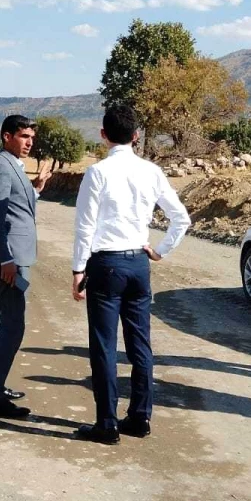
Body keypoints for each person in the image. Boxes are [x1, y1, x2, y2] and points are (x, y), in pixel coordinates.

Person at [70, 104, 191, 444]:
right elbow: (181, 218)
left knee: (105, 346)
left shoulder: (97, 173)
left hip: (106, 264)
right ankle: (139, 416)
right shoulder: (151, 171)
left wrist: (78, 269)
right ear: (136, 136)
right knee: (140, 345)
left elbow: (85, 228)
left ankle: (106, 424)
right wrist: (161, 249)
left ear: (103, 135)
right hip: (139, 264)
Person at [0, 115, 50, 418]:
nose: (29, 142)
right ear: (6, 136)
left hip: (13, 256)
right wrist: (6, 259)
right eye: (24, 136)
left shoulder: (12, 165)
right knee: (13, 324)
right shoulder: (1, 166)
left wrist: (36, 187)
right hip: (11, 260)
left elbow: (16, 206)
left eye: (31, 137)